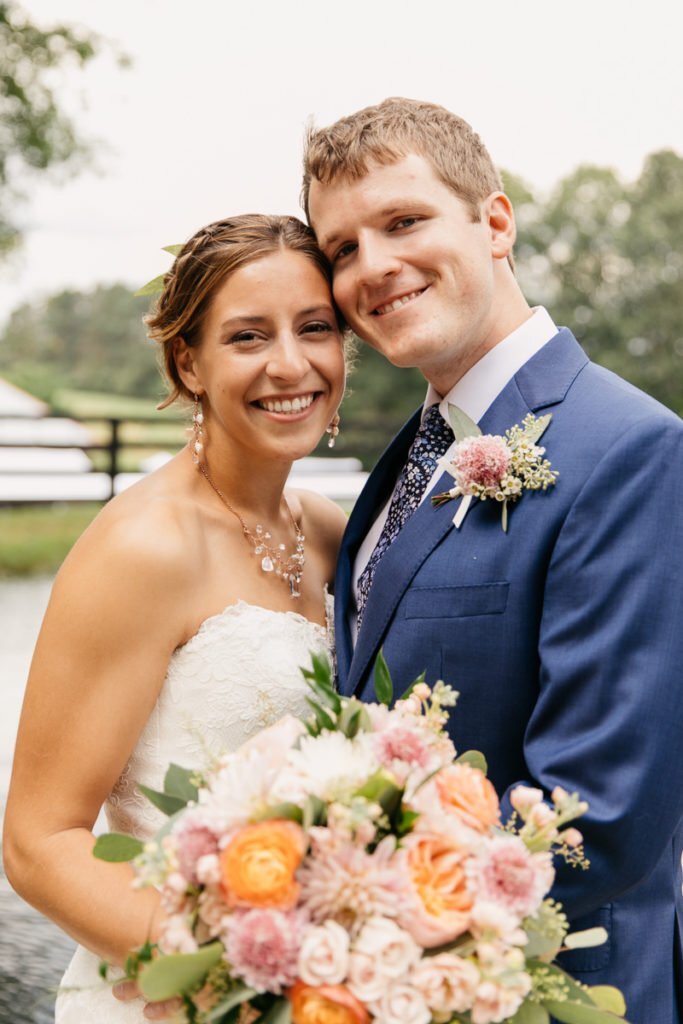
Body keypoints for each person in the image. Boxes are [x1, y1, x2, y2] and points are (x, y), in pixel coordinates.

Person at [302, 97, 683, 1023]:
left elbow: (601, 818)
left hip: (560, 993)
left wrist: (339, 915)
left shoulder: (630, 449)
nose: (373, 267)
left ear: (495, 223)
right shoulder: (406, 456)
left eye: (403, 221)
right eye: (342, 249)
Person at [2, 214, 348, 1022]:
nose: (290, 364)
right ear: (188, 361)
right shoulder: (143, 549)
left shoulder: (330, 532)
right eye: (248, 337)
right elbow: (38, 844)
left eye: (315, 328)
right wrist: (237, 980)